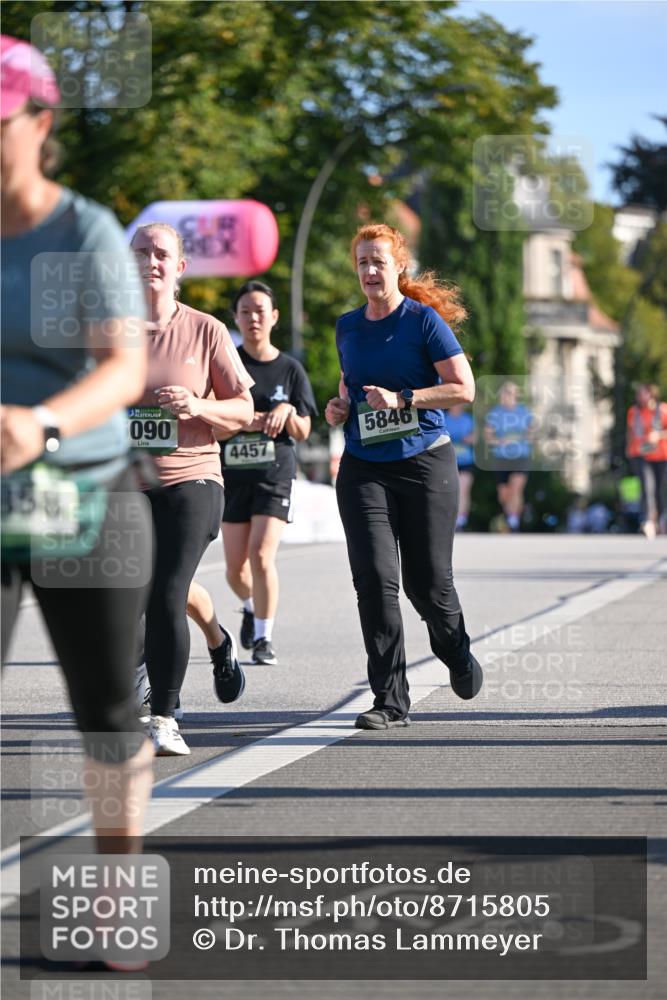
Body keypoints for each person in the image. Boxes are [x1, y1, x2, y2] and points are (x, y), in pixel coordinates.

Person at [1, 35, 153, 863]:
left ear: (39, 121)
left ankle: (118, 879)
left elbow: (124, 365)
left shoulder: (82, 232)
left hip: (83, 495)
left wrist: (41, 425)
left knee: (104, 707)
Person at [325, 223, 482, 730]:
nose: (370, 271)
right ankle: (390, 701)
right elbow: (349, 387)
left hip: (423, 463)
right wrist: (338, 407)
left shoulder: (423, 322)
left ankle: (454, 648)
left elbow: (464, 388)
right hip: (364, 464)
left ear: (399, 266)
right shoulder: (347, 325)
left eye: (379, 261)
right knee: (374, 581)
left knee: (428, 585)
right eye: (363, 263)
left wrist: (406, 398)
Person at [130, 222, 254, 754]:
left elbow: (245, 411)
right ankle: (219, 642)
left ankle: (163, 715)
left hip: (192, 477)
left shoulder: (205, 330)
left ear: (180, 268)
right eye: (141, 252)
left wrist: (197, 406)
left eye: (162, 254)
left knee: (164, 590)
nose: (150, 261)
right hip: (127, 482)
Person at [218, 280, 318, 664]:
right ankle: (249, 605)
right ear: (236, 319)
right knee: (233, 569)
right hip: (233, 474)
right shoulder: (228, 363)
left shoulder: (290, 369)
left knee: (261, 556)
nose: (253, 318)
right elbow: (215, 423)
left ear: (274, 317)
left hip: (274, 473)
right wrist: (246, 419)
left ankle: (263, 638)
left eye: (260, 310)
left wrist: (288, 412)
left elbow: (305, 428)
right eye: (245, 311)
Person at [484, 381, 534, 532]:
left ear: (516, 396)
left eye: (510, 393)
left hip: (521, 455)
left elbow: (532, 432)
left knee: (516, 488)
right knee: (504, 494)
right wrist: (498, 441)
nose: (507, 396)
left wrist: (522, 438)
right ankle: (511, 514)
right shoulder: (495, 413)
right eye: (505, 393)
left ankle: (513, 522)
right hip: (501, 457)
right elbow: (488, 435)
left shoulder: (524, 412)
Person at [625, 383, 667, 538]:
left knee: (660, 490)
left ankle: (661, 519)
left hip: (662, 455)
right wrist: (628, 448)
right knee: (647, 487)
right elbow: (630, 431)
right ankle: (648, 521)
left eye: (643, 393)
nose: (640, 397)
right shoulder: (634, 411)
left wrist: (659, 435)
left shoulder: (663, 410)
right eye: (639, 394)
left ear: (651, 394)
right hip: (641, 455)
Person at [446, 403, 475, 530]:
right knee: (450, 491)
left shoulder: (468, 419)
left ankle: (461, 521)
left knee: (463, 489)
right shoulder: (444, 418)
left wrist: (470, 438)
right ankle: (450, 519)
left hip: (466, 461)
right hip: (448, 462)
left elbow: (475, 437)